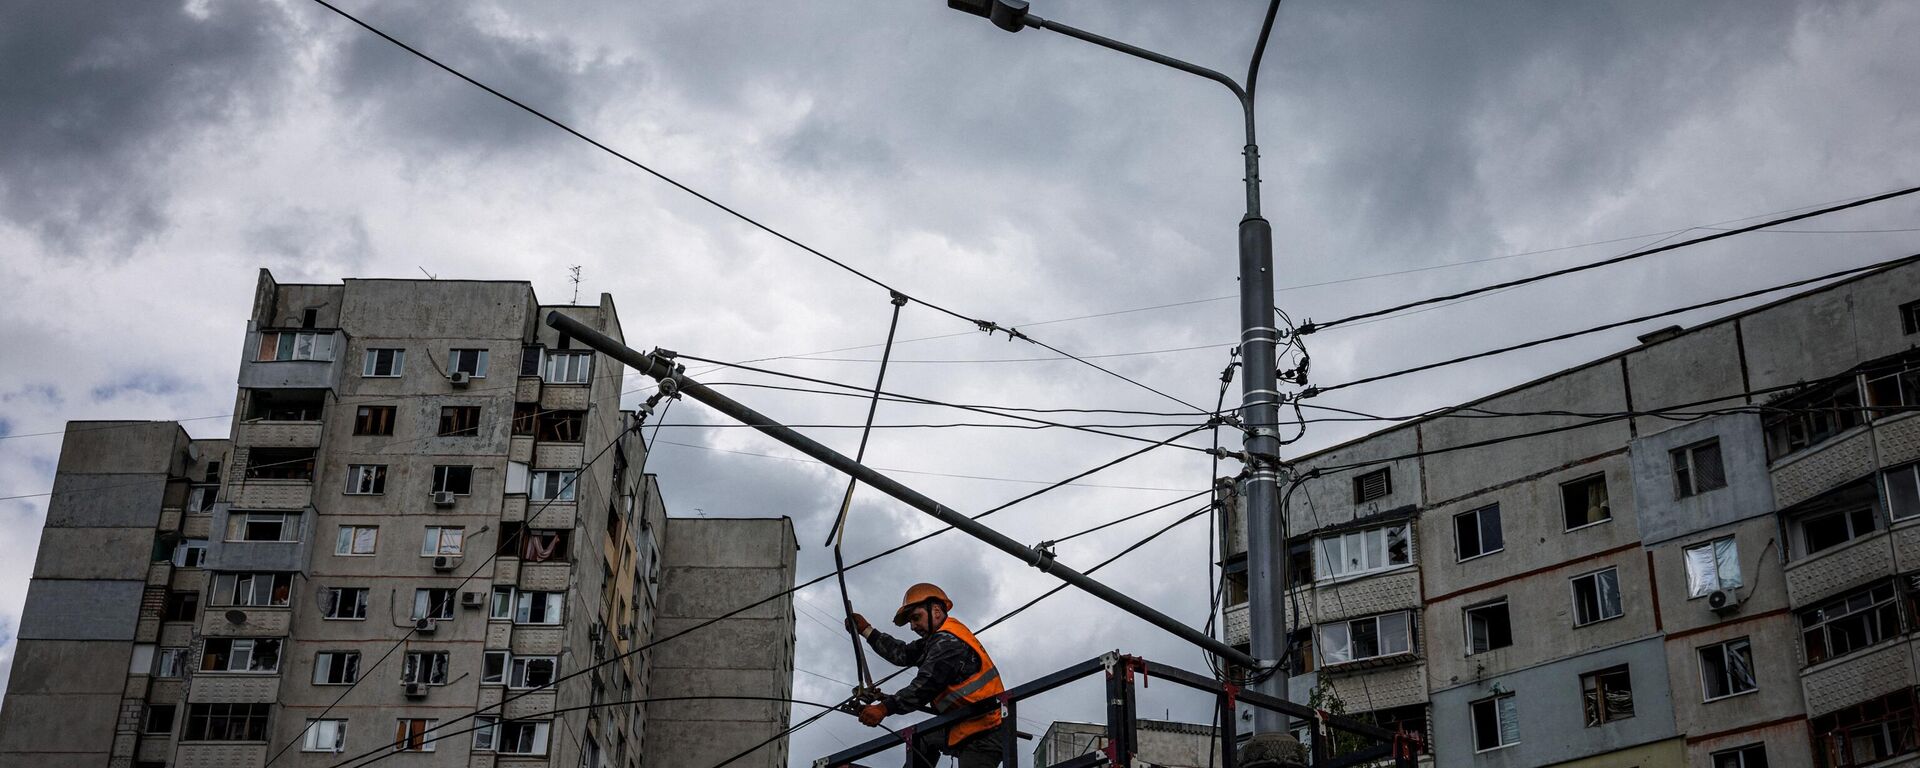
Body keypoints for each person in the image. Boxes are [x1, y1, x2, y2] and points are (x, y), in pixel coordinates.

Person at [846, 583, 1005, 768]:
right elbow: (903, 653)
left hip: (986, 730)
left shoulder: (948, 642)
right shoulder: (936, 640)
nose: (913, 626)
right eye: (910, 622)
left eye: (916, 617)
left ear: (936, 611)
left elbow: (925, 686)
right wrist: (866, 630)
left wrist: (883, 708)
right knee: (922, 738)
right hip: (965, 722)